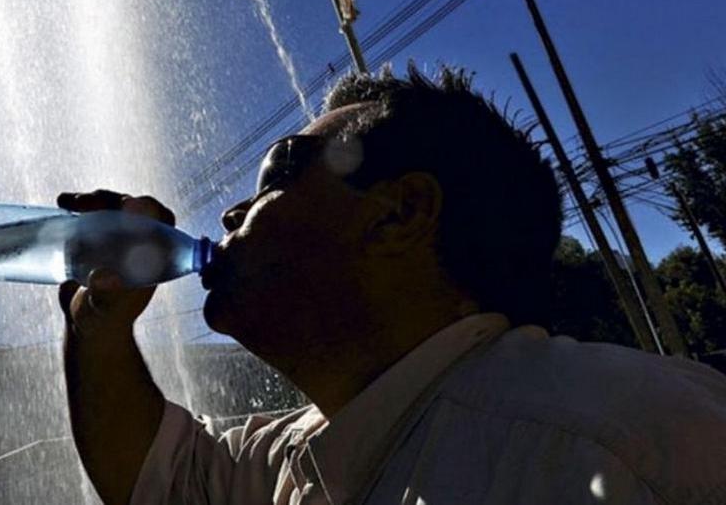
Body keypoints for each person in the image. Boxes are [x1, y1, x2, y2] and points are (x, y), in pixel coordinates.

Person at [56, 65, 726, 505]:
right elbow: (159, 477)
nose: (233, 212)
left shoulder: (627, 439)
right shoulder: (313, 452)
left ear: (400, 213)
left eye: (278, 169)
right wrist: (98, 325)